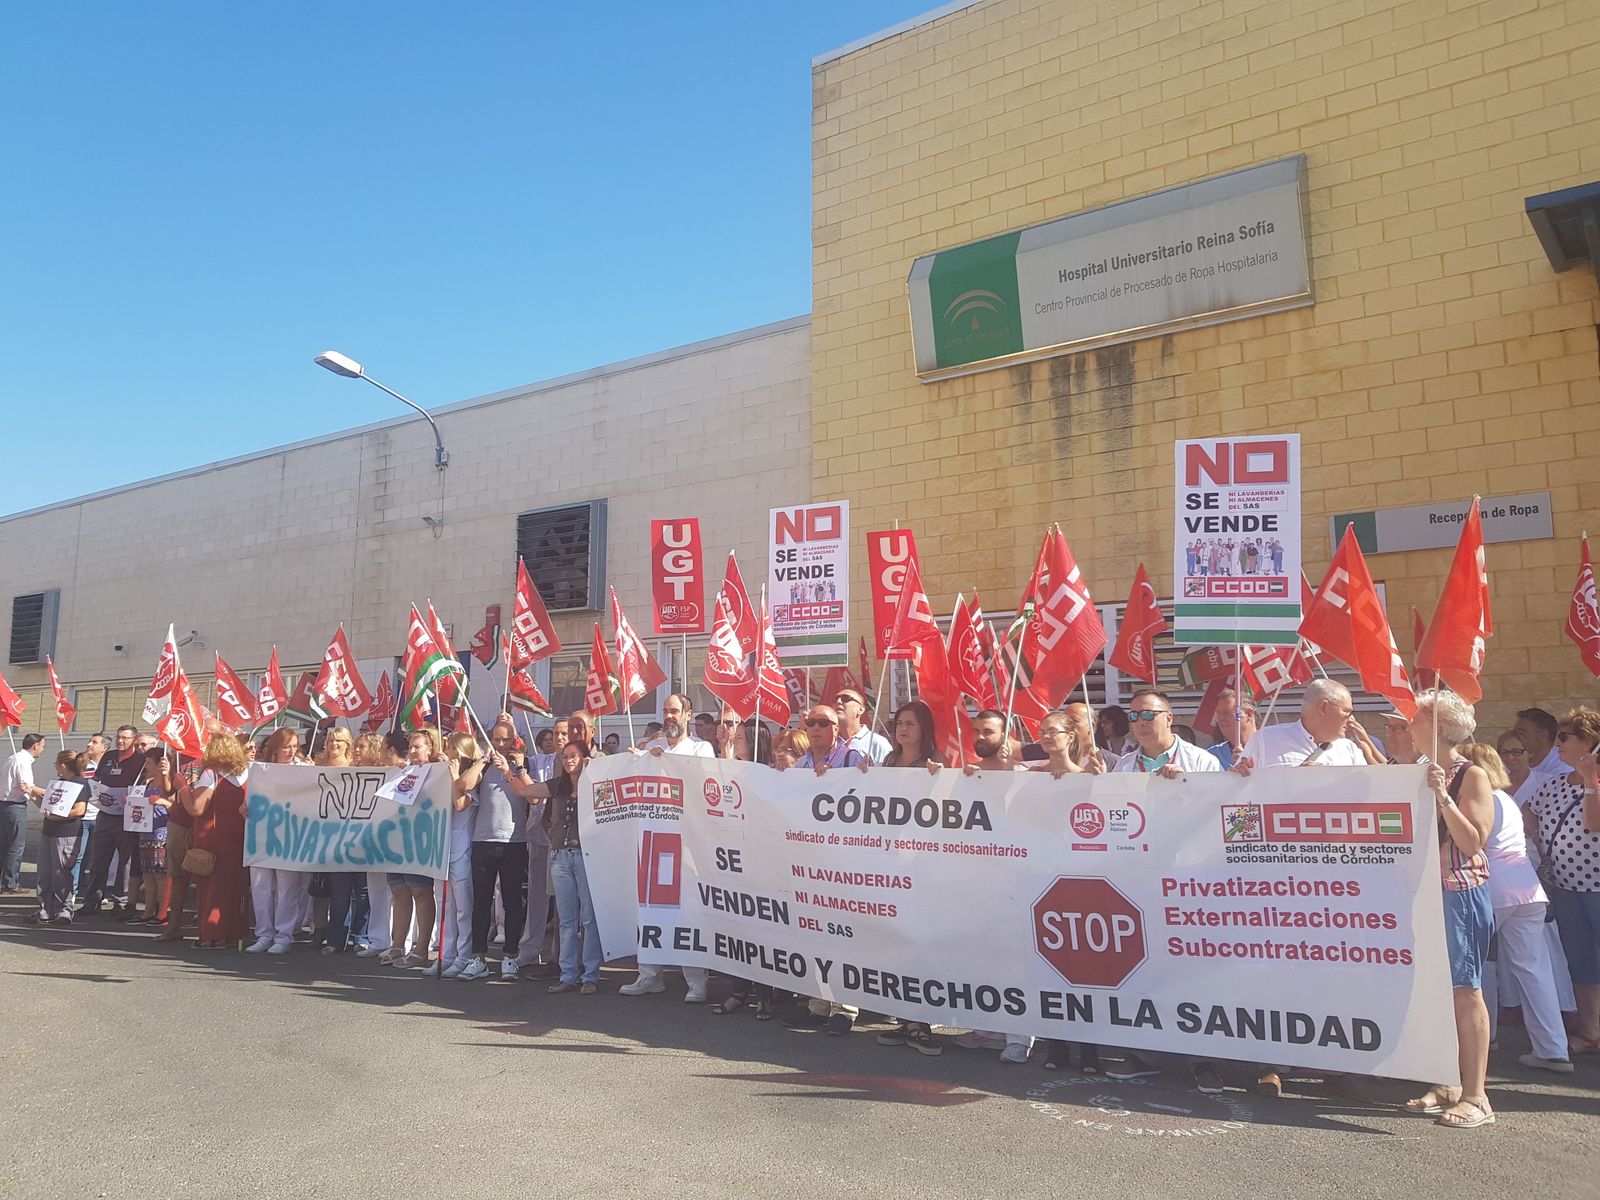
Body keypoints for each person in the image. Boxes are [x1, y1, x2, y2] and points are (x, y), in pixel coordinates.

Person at [1104, 691, 1222, 1089]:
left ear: (1169, 718)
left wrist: (1183, 790)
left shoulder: (1201, 761)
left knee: (1195, 970)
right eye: (1134, 714)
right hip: (1141, 880)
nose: (1139, 721)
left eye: (1148, 714)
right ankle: (1145, 1054)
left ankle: (1203, 1059)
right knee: (1147, 967)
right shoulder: (1123, 764)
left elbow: (1215, 815)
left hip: (1190, 881)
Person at [1400, 690, 1496, 1129]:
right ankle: (1446, 1082)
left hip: (1457, 892)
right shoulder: (1416, 770)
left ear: (1437, 726)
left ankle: (1477, 1096)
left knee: (1464, 989)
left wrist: (1444, 797)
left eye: (1415, 718)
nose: (1407, 725)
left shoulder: (1470, 775)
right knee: (1434, 993)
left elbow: (1473, 841)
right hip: (1423, 895)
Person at [1459, 743, 1571, 1073]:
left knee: (1480, 966)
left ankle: (1486, 1035)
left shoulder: (1480, 800)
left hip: (1491, 887)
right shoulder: (1507, 799)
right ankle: (1553, 1048)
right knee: (1534, 970)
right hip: (1527, 887)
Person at [623, 693, 714, 1001]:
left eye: (675, 711)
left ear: (688, 715)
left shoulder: (702, 748)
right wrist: (633, 760)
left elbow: (707, 782)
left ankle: (696, 980)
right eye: (665, 711)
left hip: (688, 841)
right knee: (651, 907)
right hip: (655, 837)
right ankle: (650, 974)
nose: (669, 716)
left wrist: (670, 761)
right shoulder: (652, 748)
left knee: (690, 912)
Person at [1523, 706, 1600, 1057]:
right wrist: (1540, 839)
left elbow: (1594, 823)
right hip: (1566, 885)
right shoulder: (1554, 784)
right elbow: (1529, 813)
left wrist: (1590, 782)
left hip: (1597, 886)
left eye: (1566, 738)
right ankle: (1591, 1030)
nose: (1558, 745)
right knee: (1580, 959)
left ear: (1590, 743)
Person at [381, 729, 445, 969]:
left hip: (420, 842)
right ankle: (397, 945)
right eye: (412, 747)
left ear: (430, 749)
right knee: (399, 891)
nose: (414, 751)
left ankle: (421, 948)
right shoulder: (403, 772)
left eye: (419, 746)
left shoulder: (436, 772)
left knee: (421, 892)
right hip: (399, 840)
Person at [180, 733, 251, 950]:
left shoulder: (211, 774)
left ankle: (211, 935)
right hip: (240, 837)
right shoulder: (248, 775)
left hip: (212, 837)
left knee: (210, 889)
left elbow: (196, 808)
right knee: (234, 888)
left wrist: (182, 786)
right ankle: (230, 934)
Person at [244, 729, 311, 956]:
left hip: (290, 836)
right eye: (287, 747)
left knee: (287, 888)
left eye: (295, 746)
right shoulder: (258, 770)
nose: (292, 751)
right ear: (275, 749)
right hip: (262, 835)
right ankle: (264, 933)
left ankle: (284, 935)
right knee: (261, 886)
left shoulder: (304, 770)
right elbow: (249, 800)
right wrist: (244, 808)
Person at [545, 740, 603, 994]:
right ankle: (568, 974)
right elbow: (528, 792)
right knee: (567, 921)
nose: (568, 760)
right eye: (564, 756)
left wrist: (592, 771)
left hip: (585, 855)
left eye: (573, 755)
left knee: (589, 919)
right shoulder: (559, 785)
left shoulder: (596, 785)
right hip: (561, 856)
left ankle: (590, 975)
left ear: (584, 757)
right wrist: (510, 771)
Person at [425, 731, 479, 976]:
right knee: (443, 904)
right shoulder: (444, 775)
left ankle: (464, 955)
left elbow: (459, 804)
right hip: (442, 847)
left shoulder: (472, 778)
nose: (447, 752)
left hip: (462, 848)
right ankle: (445, 955)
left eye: (451, 748)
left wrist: (454, 774)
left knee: (463, 907)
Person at [77, 725, 143, 915]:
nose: (120, 741)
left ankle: (120, 902)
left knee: (125, 862)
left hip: (126, 817)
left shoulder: (140, 761)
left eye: (125, 738)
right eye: (118, 737)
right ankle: (92, 900)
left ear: (134, 740)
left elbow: (145, 786)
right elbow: (96, 779)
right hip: (105, 815)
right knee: (99, 860)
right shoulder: (109, 757)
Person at [1232, 679, 1366, 772]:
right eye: (1346, 712)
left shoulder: (1349, 749)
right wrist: (1238, 776)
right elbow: (1240, 795)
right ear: (1324, 708)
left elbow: (1364, 799)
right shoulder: (1264, 740)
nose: (1350, 719)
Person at [317, 729, 370, 956]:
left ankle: (361, 936)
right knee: (338, 892)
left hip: (360, 839)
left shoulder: (356, 768)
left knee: (362, 892)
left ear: (347, 744)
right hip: (332, 840)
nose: (334, 744)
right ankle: (336, 938)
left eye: (339, 740)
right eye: (330, 740)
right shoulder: (318, 766)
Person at [353, 732, 398, 957]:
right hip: (368, 839)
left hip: (391, 839)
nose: (356, 750)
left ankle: (399, 941)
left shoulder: (393, 773)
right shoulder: (352, 774)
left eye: (362, 746)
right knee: (376, 890)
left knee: (396, 891)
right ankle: (378, 940)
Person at [30, 750, 89, 923]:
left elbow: (80, 810)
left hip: (67, 834)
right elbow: (47, 806)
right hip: (49, 832)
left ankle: (64, 910)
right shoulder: (59, 783)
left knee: (61, 873)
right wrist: (33, 796)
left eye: (56, 763)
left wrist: (57, 815)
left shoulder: (80, 784)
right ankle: (45, 908)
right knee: (44, 873)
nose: (55, 766)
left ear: (63, 765)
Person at [1, 733, 47, 892]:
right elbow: (27, 787)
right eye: (42, 746)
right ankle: (10, 883)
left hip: (6, 806)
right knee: (16, 846)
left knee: (5, 844)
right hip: (14, 806)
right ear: (36, 745)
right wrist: (51, 792)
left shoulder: (14, 758)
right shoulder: (23, 761)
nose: (43, 749)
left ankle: (5, 881)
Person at [135, 748, 173, 926]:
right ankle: (148, 910)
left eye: (149, 762)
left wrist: (161, 801)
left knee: (160, 875)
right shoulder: (148, 782)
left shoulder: (168, 783)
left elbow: (175, 806)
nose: (146, 766)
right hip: (146, 831)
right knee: (148, 874)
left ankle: (163, 912)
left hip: (161, 832)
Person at [796, 705, 864, 773]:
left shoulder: (851, 759)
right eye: (811, 723)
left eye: (823, 723)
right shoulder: (800, 763)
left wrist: (833, 776)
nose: (816, 727)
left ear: (836, 729)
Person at [834, 687, 891, 763]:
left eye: (845, 698)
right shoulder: (828, 743)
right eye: (835, 699)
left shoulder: (878, 743)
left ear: (861, 710)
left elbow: (887, 773)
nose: (838, 701)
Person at [1204, 689, 1256, 770]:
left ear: (1249, 714)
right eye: (1218, 714)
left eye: (1227, 713)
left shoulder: (1271, 748)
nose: (1220, 718)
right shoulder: (1210, 756)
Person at [1514, 707, 1563, 777]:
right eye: (1514, 733)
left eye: (1521, 733)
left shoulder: (1562, 768)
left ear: (1543, 735)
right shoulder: (1511, 760)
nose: (1514, 737)